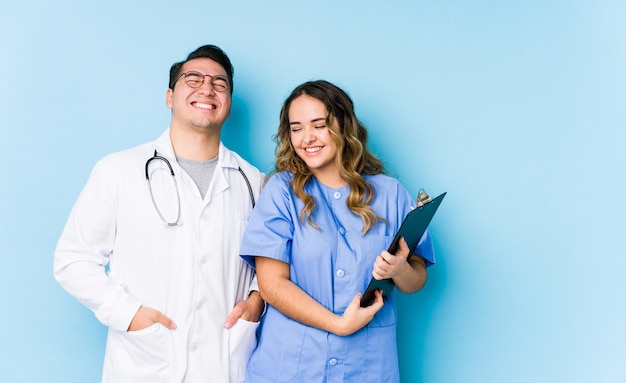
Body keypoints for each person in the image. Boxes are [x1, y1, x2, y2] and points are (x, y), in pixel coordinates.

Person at [54, 44, 265, 383]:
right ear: (169, 97)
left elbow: (269, 263)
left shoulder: (253, 181)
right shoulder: (118, 170)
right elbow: (72, 261)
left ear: (227, 107)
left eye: (219, 83)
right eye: (192, 79)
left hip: (225, 365)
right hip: (145, 364)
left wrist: (255, 301)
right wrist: (130, 314)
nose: (207, 88)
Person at [239, 80, 436, 382]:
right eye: (296, 128)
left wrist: (400, 269)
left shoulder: (391, 194)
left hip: (367, 367)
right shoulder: (281, 191)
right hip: (291, 366)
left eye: (319, 125)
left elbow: (415, 280)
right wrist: (338, 324)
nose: (307, 138)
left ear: (343, 126)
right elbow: (271, 285)